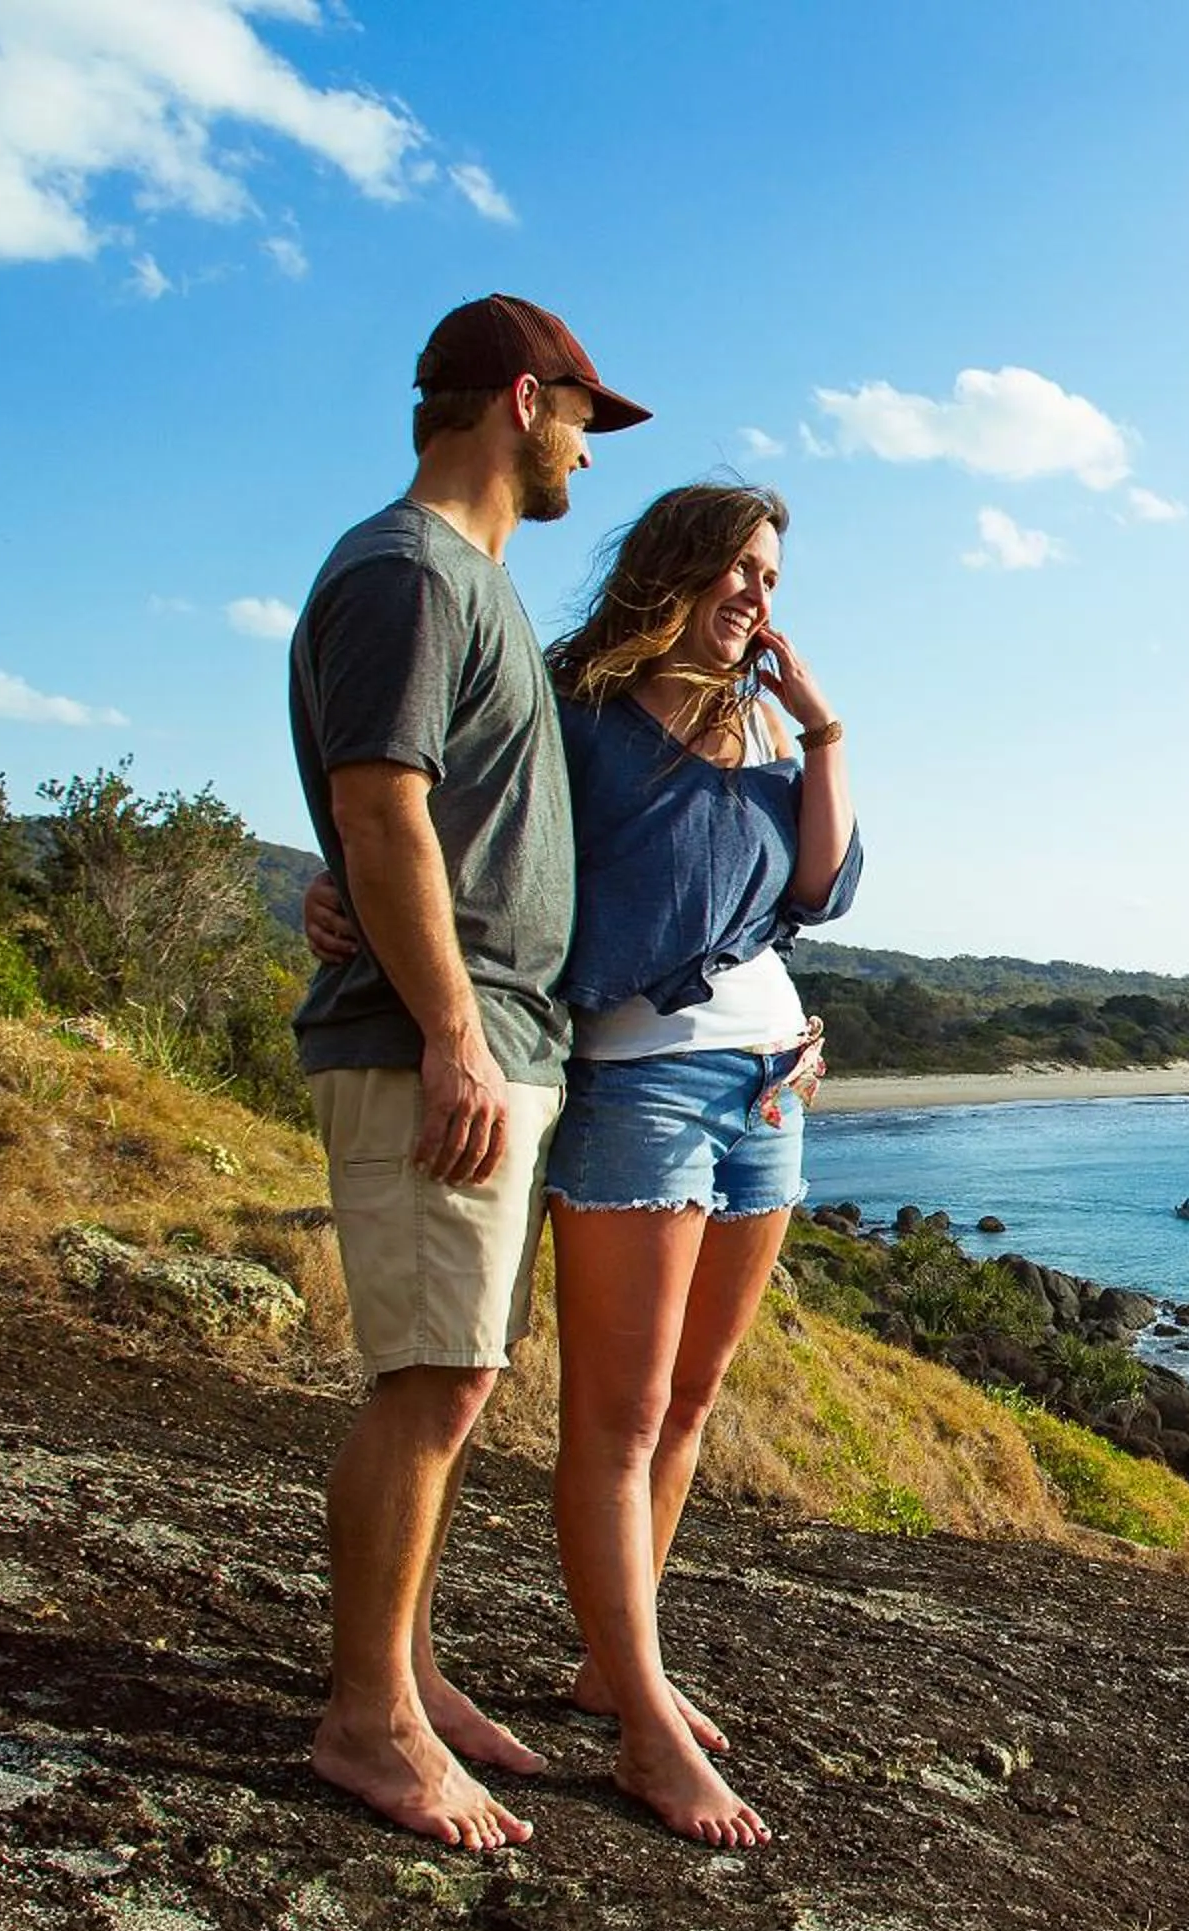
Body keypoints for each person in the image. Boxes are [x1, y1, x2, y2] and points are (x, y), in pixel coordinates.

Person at [286, 293, 649, 1851]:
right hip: (446, 1039)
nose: (588, 451)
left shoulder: (463, 581)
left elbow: (402, 820)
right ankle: (367, 1722)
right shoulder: (412, 571)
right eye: (582, 417)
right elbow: (380, 807)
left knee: (460, 1373)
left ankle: (410, 1675)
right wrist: (448, 1033)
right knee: (434, 1381)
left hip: (492, 1034)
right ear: (520, 400)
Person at [531, 483, 857, 1847]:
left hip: (772, 1085)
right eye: (737, 569)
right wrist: (342, 899)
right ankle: (647, 1728)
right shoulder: (580, 716)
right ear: (674, 568)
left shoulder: (764, 728)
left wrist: (823, 730)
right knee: (619, 1414)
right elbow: (467, 843)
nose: (755, 597)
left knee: (694, 1399)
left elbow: (819, 888)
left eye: (771, 578)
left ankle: (617, 1668)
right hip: (641, 1083)